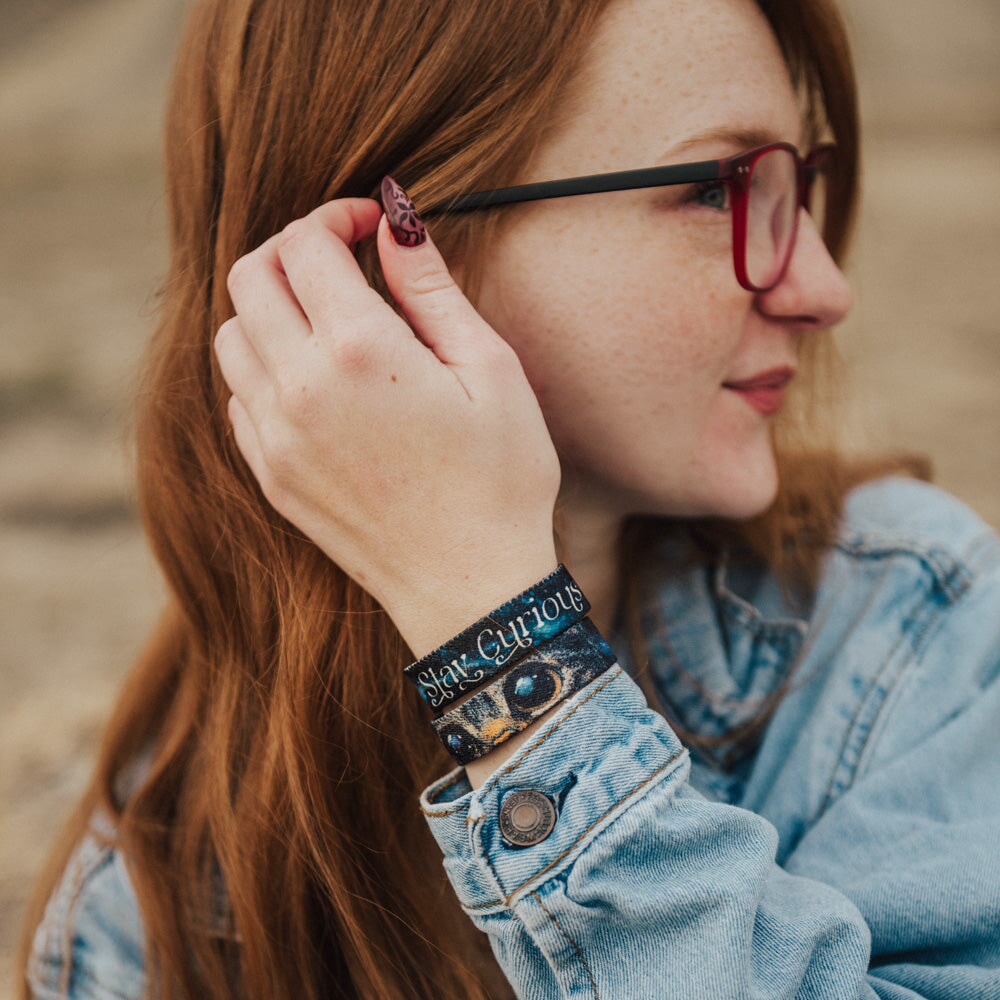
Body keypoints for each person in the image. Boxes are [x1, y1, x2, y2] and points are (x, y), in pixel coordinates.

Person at [20, 0, 1000, 996]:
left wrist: (503, 641)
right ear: (391, 250)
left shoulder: (914, 632)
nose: (822, 286)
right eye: (717, 190)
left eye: (801, 184)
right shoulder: (165, 886)